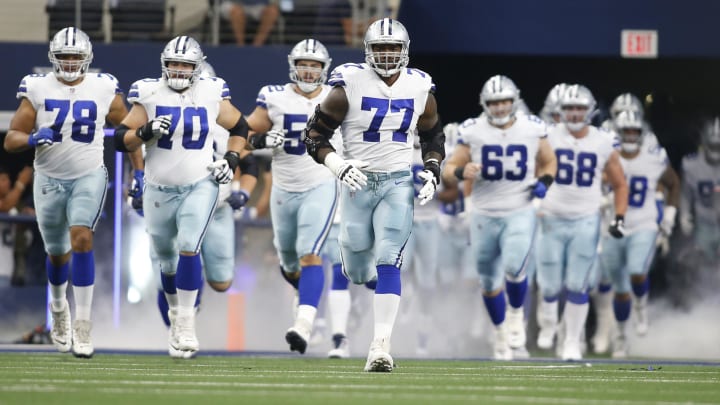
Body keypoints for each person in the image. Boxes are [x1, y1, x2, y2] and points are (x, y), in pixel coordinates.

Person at [301, 18, 446, 372]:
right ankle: (370, 302)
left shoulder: (420, 86)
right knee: (355, 269)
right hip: (357, 183)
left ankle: (380, 345)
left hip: (397, 182)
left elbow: (433, 135)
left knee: (389, 257)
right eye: (379, 47)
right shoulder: (348, 83)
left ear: (404, 50)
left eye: (392, 47)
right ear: (368, 50)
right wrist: (337, 165)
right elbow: (313, 136)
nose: (385, 54)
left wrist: (432, 169)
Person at [115, 35, 251, 359]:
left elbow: (241, 127)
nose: (178, 70)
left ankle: (187, 322)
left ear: (197, 68)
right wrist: (145, 132)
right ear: (164, 65)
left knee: (189, 245)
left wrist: (231, 160)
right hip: (159, 187)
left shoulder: (211, 91)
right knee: (167, 259)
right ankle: (177, 315)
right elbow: (121, 139)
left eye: (185, 65)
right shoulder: (147, 91)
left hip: (200, 183)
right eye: (173, 63)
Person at [4, 27, 130, 358]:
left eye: (76, 56)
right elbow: (11, 137)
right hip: (48, 178)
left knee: (82, 239)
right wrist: (32, 139)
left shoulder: (104, 87)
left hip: (88, 175)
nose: (71, 62)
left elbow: (131, 130)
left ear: (87, 58)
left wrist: (141, 171)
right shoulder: (38, 87)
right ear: (53, 59)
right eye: (64, 57)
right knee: (57, 254)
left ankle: (83, 323)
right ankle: (58, 307)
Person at [441, 75, 557, 360]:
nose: (501, 107)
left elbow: (549, 160)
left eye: (505, 101)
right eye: (494, 102)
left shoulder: (532, 128)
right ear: (485, 104)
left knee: (516, 265)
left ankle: (516, 314)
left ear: (514, 101)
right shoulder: (473, 130)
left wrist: (544, 182)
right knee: (489, 281)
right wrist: (460, 172)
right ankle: (501, 334)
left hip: (519, 208)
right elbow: (449, 168)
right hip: (484, 213)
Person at [245, 38, 338, 355]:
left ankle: (306, 323)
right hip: (284, 187)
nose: (309, 72)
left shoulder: (336, 96)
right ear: (293, 66)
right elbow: (243, 134)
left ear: (324, 69)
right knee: (289, 261)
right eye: (304, 65)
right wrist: (261, 138)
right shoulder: (274, 96)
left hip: (321, 182)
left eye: (315, 66)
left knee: (310, 252)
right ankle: (308, 299)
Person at [534, 84, 629, 361]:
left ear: (590, 111)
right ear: (560, 111)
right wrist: (534, 198)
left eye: (579, 108)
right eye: (569, 109)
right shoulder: (547, 135)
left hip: (586, 219)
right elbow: (532, 169)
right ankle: (550, 324)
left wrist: (619, 217)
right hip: (551, 216)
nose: (575, 114)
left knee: (579, 284)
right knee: (549, 286)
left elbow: (620, 184)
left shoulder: (602, 140)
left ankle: (572, 342)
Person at [598, 110, 680, 358]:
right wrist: (602, 199)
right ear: (618, 133)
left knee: (637, 270)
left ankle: (641, 307)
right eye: (627, 131)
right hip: (613, 229)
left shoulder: (653, 158)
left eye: (635, 131)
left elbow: (673, 183)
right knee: (620, 290)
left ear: (642, 134)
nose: (631, 136)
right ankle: (621, 336)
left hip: (643, 224)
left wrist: (668, 216)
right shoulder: (607, 156)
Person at [679, 116, 720, 262]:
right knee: (703, 262)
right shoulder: (692, 165)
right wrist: (684, 216)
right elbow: (686, 194)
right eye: (713, 145)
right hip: (704, 223)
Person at [0, 166, 33, 286]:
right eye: (3, 180)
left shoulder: (13, 209)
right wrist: (20, 183)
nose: (8, 182)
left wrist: (25, 215)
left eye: (8, 179)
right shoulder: (7, 205)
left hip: (6, 271)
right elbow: (5, 206)